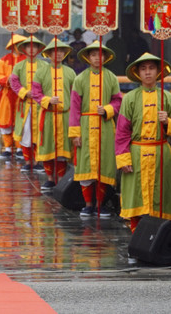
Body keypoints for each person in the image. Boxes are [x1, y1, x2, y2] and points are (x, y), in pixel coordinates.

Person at [115, 53, 171, 239]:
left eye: (151, 68)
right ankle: (138, 239)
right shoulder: (130, 99)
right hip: (137, 152)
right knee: (136, 197)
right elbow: (121, 132)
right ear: (137, 73)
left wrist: (167, 121)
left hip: (161, 153)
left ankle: (157, 238)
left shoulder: (167, 97)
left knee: (161, 197)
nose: (147, 72)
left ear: (158, 71)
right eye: (143, 69)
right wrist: (123, 158)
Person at [69, 42, 122, 218]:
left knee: (104, 165)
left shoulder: (112, 78)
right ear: (87, 57)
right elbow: (75, 108)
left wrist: (107, 109)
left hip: (105, 127)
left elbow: (118, 101)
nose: (96, 58)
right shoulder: (79, 79)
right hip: (85, 125)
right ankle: (88, 204)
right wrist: (75, 134)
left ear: (105, 58)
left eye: (100, 55)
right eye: (93, 55)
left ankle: (101, 203)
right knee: (85, 165)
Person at [31, 39, 76, 191]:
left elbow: (75, 95)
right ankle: (50, 178)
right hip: (48, 115)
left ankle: (62, 179)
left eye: (62, 51)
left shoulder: (70, 72)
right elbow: (36, 93)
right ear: (49, 53)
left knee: (63, 151)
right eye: (56, 51)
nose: (59, 54)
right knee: (48, 148)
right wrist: (48, 100)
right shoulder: (41, 72)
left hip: (65, 116)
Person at [9, 36, 48, 170]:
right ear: (24, 49)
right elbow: (13, 83)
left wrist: (41, 96)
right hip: (25, 105)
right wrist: (25, 92)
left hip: (40, 105)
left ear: (38, 49)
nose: (32, 49)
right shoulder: (19, 66)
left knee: (39, 132)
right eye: (29, 47)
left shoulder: (45, 65)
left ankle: (37, 161)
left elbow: (48, 83)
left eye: (35, 47)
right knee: (26, 133)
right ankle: (27, 162)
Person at [0, 34, 26, 159]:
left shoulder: (26, 60)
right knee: (5, 121)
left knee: (20, 121)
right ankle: (7, 148)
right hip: (7, 94)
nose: (20, 47)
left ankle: (19, 148)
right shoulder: (4, 59)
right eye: (17, 45)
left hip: (21, 94)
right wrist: (10, 80)